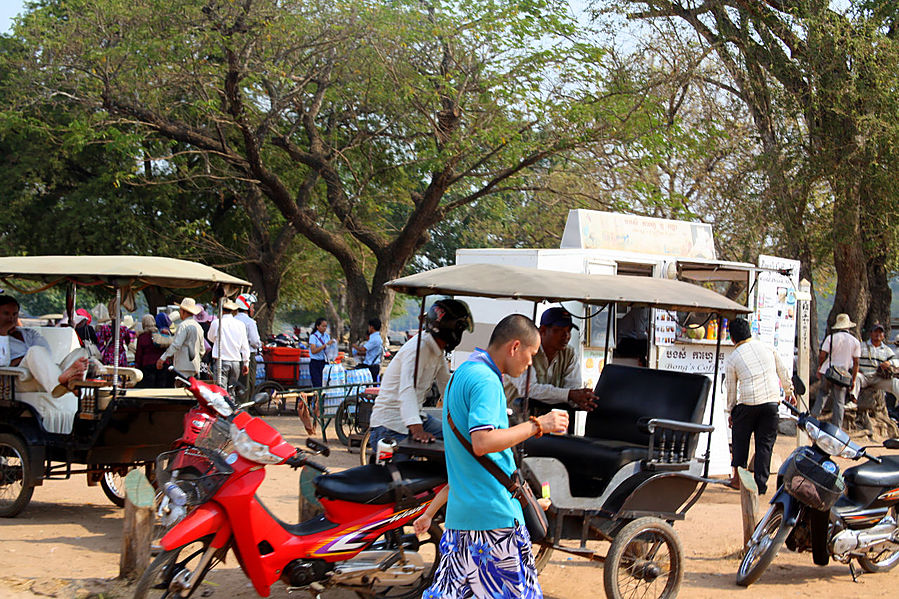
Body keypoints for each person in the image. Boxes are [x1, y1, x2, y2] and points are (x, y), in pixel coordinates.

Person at [422, 314, 568, 599]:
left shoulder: (463, 373)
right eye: (531, 355)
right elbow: (482, 442)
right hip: (493, 520)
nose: (530, 363)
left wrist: (430, 512)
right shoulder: (487, 381)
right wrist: (539, 425)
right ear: (515, 347)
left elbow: (466, 463)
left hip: (463, 519)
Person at [368, 299, 473, 451]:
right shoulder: (419, 348)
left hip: (417, 418)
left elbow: (447, 387)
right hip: (391, 424)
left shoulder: (436, 351)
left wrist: (467, 415)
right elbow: (407, 388)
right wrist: (417, 429)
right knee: (407, 472)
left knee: (458, 437)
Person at [724, 317, 794, 494]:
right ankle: (760, 486)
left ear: (732, 338)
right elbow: (783, 371)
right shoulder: (767, 347)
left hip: (747, 404)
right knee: (765, 445)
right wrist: (788, 391)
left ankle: (738, 479)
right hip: (771, 403)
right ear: (749, 332)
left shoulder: (733, 358)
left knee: (740, 442)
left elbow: (731, 389)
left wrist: (731, 410)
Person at [0, 295, 88, 434]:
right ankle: (63, 383)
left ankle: (68, 382)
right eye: (6, 314)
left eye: (14, 314)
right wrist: (3, 333)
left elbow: (46, 354)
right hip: (18, 379)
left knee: (81, 352)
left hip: (42, 374)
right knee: (34, 351)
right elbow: (3, 363)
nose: (11, 318)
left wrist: (30, 359)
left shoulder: (29, 333)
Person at [503, 307, 597, 426]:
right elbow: (529, 389)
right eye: (559, 330)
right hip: (510, 420)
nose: (566, 336)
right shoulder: (524, 350)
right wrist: (570, 395)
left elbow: (573, 389)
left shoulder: (569, 354)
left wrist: (583, 399)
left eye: (568, 331)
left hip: (541, 424)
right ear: (542, 330)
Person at [812, 313, 861, 427]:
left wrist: (820, 367)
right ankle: (836, 427)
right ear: (848, 326)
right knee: (839, 402)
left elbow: (822, 355)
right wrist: (853, 380)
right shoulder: (855, 342)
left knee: (822, 394)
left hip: (828, 372)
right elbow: (856, 363)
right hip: (843, 375)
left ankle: (813, 419)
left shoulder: (831, 338)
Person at [206, 299, 250, 392]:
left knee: (221, 391)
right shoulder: (240, 325)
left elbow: (210, 337)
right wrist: (246, 362)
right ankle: (231, 405)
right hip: (235, 361)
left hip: (221, 361)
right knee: (231, 390)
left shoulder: (216, 323)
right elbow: (245, 345)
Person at [157, 297, 205, 380]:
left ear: (183, 311)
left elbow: (176, 345)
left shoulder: (183, 325)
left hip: (182, 366)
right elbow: (202, 350)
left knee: (181, 389)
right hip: (194, 367)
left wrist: (163, 358)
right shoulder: (198, 327)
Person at [855, 323, 899, 403]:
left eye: (880, 332)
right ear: (871, 333)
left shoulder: (886, 350)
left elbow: (897, 361)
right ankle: (852, 401)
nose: (878, 334)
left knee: (895, 382)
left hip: (877, 378)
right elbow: (853, 360)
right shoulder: (861, 346)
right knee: (856, 377)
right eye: (875, 332)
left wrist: (889, 362)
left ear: (883, 335)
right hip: (863, 376)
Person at [134, 314, 164, 387]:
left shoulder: (142, 337)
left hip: (147, 365)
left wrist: (137, 366)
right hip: (161, 364)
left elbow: (139, 354)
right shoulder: (161, 334)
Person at [308, 317, 336, 388]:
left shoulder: (327, 336)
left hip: (324, 362)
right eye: (323, 326)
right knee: (317, 384)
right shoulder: (313, 337)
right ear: (317, 326)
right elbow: (313, 351)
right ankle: (318, 398)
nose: (324, 328)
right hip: (315, 363)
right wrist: (325, 345)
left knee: (325, 383)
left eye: (326, 326)